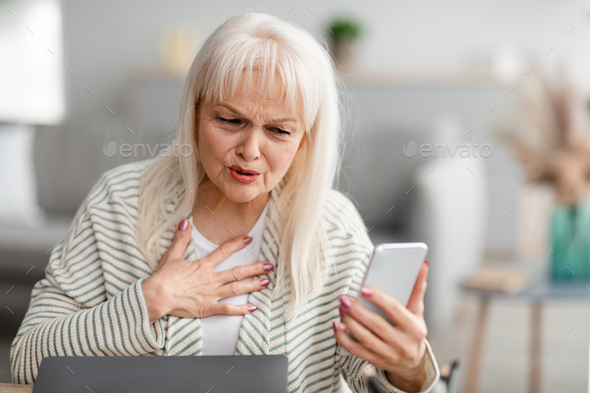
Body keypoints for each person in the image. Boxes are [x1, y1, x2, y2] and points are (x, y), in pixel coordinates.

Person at [11, 12, 440, 392]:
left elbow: (370, 377)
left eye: (279, 131)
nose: (251, 150)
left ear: (305, 139)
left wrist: (408, 367)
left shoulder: (332, 226)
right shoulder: (119, 201)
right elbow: (27, 360)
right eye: (230, 120)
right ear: (194, 114)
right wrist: (151, 299)